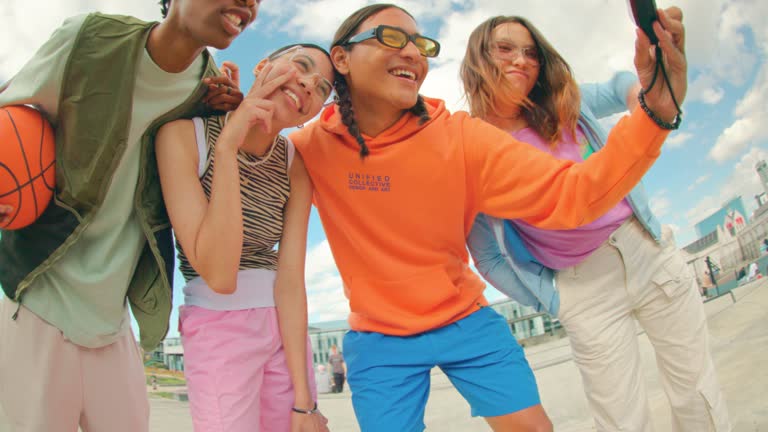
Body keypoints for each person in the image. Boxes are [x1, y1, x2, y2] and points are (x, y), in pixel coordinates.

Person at [288, 3, 688, 431]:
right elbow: (245, 166)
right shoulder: (309, 148)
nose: (411, 52)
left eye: (419, 44)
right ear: (342, 59)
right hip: (378, 338)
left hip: (464, 318)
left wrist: (654, 115)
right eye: (389, 37)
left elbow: (571, 194)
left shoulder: (461, 137)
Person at [462, 14, 730, 432]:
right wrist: (550, 300)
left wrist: (642, 98)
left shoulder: (566, 102)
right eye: (505, 48)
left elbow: (620, 82)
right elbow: (487, 256)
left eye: (531, 52)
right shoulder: (474, 149)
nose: (521, 60)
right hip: (581, 286)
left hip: (646, 252)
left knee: (696, 391)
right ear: (479, 58)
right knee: (620, 419)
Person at [0, 1, 254, 430]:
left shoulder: (209, 90)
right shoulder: (89, 39)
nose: (249, 2)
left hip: (114, 318)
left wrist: (229, 118)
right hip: (37, 296)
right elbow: (12, 123)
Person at [156, 43, 333, 432]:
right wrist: (227, 146)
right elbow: (219, 275)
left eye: (323, 88)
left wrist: (305, 403)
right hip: (218, 326)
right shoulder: (183, 138)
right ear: (263, 66)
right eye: (301, 66)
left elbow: (290, 280)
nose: (308, 84)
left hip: (284, 328)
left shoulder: (294, 165)